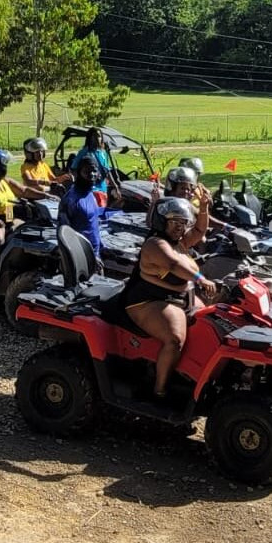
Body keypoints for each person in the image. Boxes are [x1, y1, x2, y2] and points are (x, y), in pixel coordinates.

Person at [123, 197, 216, 399]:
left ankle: (191, 373)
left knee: (209, 323)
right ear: (162, 221)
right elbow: (173, 265)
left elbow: (199, 232)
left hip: (179, 297)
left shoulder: (179, 243)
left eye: (183, 223)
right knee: (174, 340)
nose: (180, 228)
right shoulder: (155, 244)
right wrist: (201, 279)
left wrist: (204, 208)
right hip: (148, 301)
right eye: (175, 222)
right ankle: (160, 390)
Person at [0, 148, 53, 287]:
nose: (5, 168)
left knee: (29, 230)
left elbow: (24, 191)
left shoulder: (4, 181)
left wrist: (46, 196)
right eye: (4, 165)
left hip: (7, 218)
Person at [147, 166, 212, 247]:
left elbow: (200, 226)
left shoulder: (187, 206)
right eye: (182, 188)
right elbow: (150, 223)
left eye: (188, 189)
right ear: (173, 189)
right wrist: (154, 203)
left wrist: (204, 206)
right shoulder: (166, 206)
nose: (186, 192)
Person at [58, 154, 102, 259]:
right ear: (79, 173)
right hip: (80, 258)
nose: (92, 175)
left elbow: (93, 224)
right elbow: (64, 234)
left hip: (95, 254)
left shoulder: (90, 194)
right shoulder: (71, 200)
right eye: (87, 171)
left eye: (94, 171)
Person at [71, 127, 116, 207]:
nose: (97, 138)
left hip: (102, 189)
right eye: (94, 136)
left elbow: (107, 171)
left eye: (99, 136)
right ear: (90, 138)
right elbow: (74, 168)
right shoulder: (84, 152)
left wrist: (115, 186)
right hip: (90, 190)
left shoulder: (103, 153)